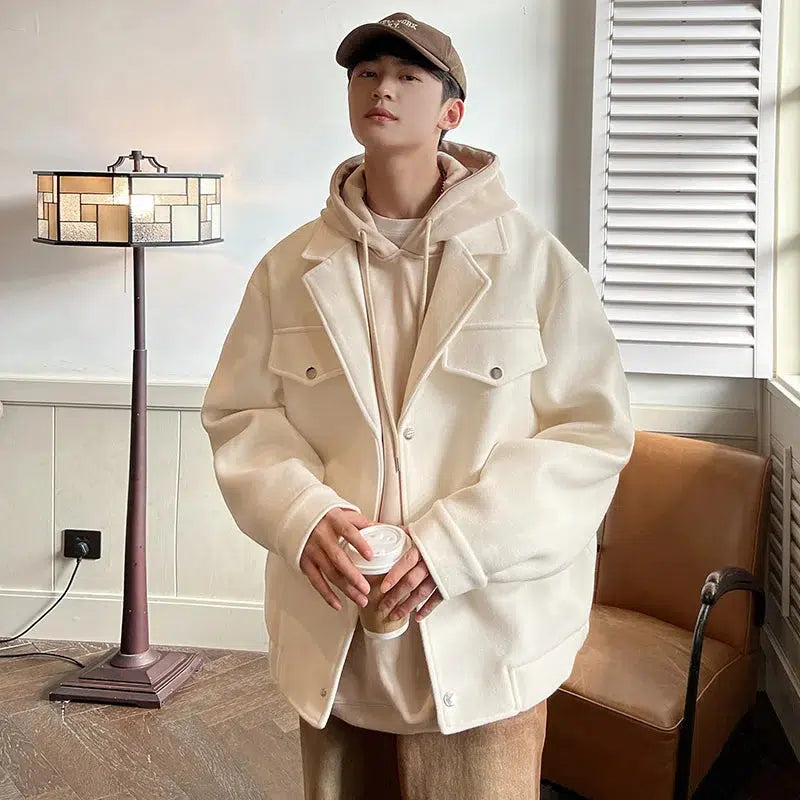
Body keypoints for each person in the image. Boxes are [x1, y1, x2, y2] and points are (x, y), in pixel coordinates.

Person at [201, 11, 635, 799]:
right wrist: (300, 513)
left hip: (486, 631)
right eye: (366, 74)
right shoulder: (288, 269)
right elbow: (242, 416)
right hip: (337, 630)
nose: (383, 89)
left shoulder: (534, 264)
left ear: (451, 112)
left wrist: (458, 544)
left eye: (408, 76)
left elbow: (590, 435)